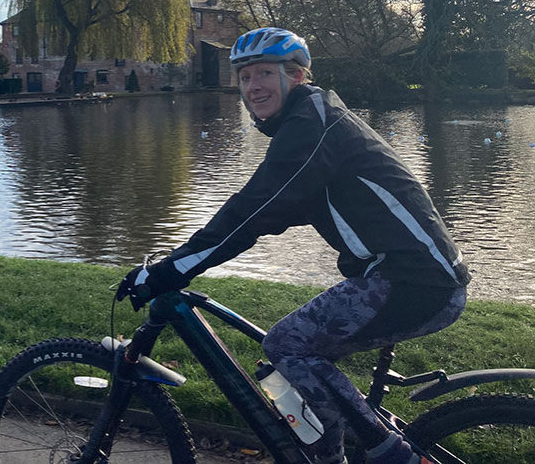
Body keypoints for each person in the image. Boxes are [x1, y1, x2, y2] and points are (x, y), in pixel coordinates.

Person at [117, 27, 470, 464]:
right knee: (301, 361)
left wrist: (172, 270)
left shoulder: (312, 125)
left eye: (265, 73)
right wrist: (194, 254)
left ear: (298, 76)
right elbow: (272, 211)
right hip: (408, 276)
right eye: (244, 78)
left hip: (413, 281)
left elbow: (255, 207)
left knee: (287, 345)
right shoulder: (314, 120)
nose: (253, 87)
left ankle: (392, 454)